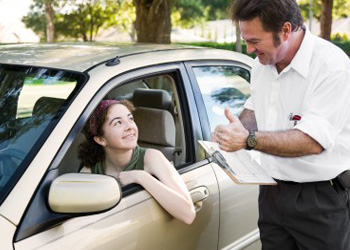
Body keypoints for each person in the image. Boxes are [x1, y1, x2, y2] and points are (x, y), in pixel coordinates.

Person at [213, 0, 350, 249]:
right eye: (246, 39)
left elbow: (312, 141)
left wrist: (248, 139)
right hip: (272, 192)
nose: (249, 48)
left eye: (255, 41)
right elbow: (255, 107)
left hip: (320, 198)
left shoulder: (331, 66)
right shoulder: (261, 64)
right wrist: (239, 128)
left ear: (285, 30)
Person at [78, 99, 195, 225]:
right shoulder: (89, 171)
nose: (130, 127)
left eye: (130, 119)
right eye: (118, 122)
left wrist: (141, 177)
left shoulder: (152, 157)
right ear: (101, 139)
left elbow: (188, 214)